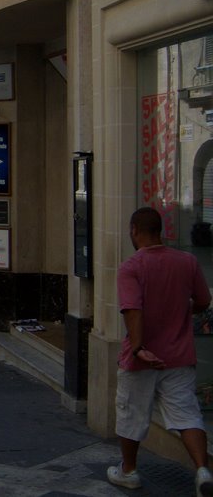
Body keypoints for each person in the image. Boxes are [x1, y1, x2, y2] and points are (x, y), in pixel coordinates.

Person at [106, 207, 213, 494]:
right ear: (160, 231)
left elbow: (132, 310)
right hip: (179, 356)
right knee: (188, 415)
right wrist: (184, 310)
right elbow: (204, 300)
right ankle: (203, 469)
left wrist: (139, 348)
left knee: (131, 414)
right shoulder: (187, 261)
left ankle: (128, 471)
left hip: (142, 359)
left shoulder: (132, 267)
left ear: (134, 231)